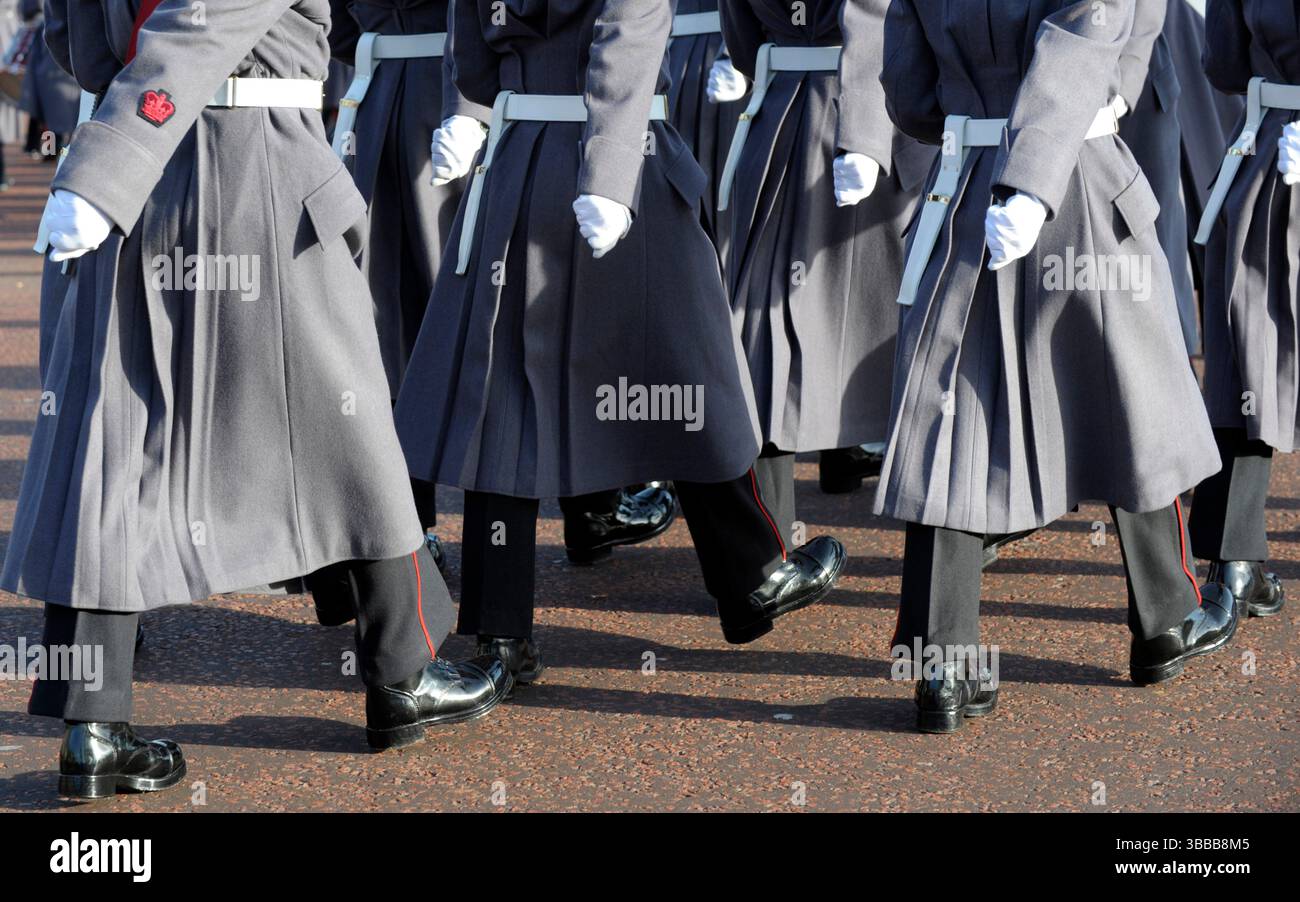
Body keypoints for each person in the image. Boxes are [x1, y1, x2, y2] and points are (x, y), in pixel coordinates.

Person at [3, 0, 510, 801]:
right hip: (255, 165)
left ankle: (92, 724)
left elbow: (82, 41)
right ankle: (404, 671)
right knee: (351, 424)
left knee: (113, 437)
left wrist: (111, 159)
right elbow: (206, 27)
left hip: (139, 171)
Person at [394, 0, 846, 683]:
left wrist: (469, 110)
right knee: (687, 373)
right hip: (620, 158)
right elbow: (627, 33)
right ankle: (750, 573)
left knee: (504, 396)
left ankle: (499, 634)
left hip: (517, 161)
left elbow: (474, 47)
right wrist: (607, 172)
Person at [877, 0, 1237, 733]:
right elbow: (1089, 37)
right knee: (1132, 398)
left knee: (954, 421)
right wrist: (1035, 175)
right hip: (1076, 173)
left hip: (968, 181)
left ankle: (943, 666)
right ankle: (1168, 618)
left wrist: (982, 135)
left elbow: (908, 91)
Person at [716, 0, 934, 505]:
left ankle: (771, 552)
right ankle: (954, 534)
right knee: (916, 339)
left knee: (769, 343)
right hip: (885, 119)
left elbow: (743, 41)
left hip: (784, 112)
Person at [1188, 0, 1299, 621]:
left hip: (1263, 146)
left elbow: (1224, 63)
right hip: (1274, 135)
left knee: (1247, 348)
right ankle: (1235, 559)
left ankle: (1232, 558)